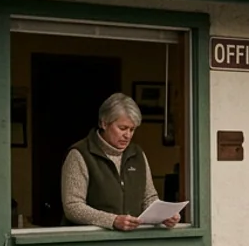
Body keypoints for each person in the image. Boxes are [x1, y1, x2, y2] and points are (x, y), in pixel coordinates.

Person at [61, 93, 179, 231]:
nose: (127, 135)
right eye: (122, 128)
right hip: (91, 243)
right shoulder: (80, 154)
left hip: (133, 242)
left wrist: (164, 215)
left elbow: (149, 198)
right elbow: (73, 207)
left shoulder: (137, 154)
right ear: (104, 123)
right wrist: (113, 220)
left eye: (132, 129)